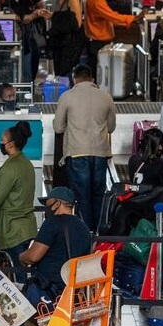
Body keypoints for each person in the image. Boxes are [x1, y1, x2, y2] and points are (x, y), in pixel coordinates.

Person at [54, 65, 116, 232]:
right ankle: (100, 234)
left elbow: (58, 127)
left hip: (77, 153)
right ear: (92, 79)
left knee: (82, 198)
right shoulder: (106, 97)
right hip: (100, 154)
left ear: (74, 79)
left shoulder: (67, 96)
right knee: (98, 196)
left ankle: (86, 235)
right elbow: (111, 127)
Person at [0, 121, 38, 282]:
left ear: (10, 144)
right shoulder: (26, 164)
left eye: (2, 140)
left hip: (12, 230)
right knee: (22, 275)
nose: (1, 143)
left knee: (18, 279)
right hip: (25, 228)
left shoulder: (10, 169)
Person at [19, 187, 91, 308]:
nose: (46, 207)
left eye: (48, 203)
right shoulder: (84, 228)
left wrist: (21, 256)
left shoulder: (52, 223)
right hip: (71, 293)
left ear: (57, 203)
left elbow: (33, 257)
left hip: (48, 292)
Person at [83, 0, 146, 73]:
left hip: (96, 40)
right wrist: (132, 18)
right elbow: (112, 16)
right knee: (100, 72)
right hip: (98, 42)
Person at [0, 0, 50, 82]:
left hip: (29, 30)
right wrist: (9, 16)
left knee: (31, 57)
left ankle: (29, 82)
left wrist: (32, 16)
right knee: (9, 58)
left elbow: (41, 7)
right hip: (8, 29)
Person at [47, 0, 85, 78]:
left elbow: (77, 23)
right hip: (60, 42)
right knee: (59, 72)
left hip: (70, 43)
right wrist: (51, 16)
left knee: (66, 72)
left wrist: (54, 16)